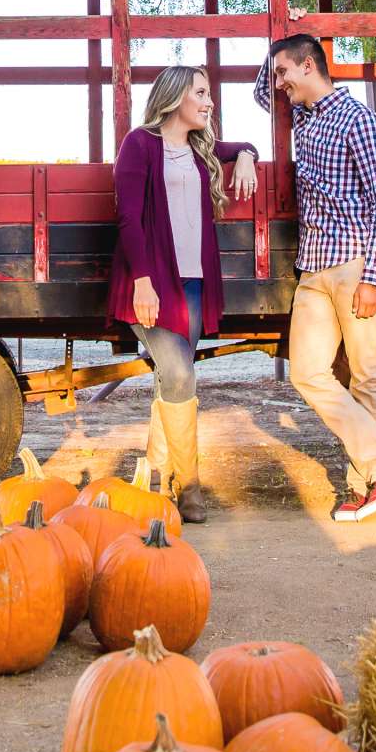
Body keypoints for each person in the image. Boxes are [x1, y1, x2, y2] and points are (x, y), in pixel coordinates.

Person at [256, 34, 376, 521]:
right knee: (307, 372)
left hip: (356, 264)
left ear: (308, 66)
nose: (278, 83)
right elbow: (261, 92)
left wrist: (372, 278)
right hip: (315, 267)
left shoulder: (359, 121)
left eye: (285, 72)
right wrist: (279, 43)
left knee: (367, 377)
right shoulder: (303, 116)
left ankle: (365, 484)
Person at [108, 63, 259, 522]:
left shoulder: (200, 148)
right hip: (150, 282)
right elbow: (129, 218)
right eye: (201, 93)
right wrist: (142, 282)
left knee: (173, 379)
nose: (209, 102)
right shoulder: (140, 144)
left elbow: (241, 146)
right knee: (179, 374)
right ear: (175, 97)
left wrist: (248, 154)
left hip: (193, 282)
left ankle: (155, 477)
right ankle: (189, 484)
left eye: (209, 93)